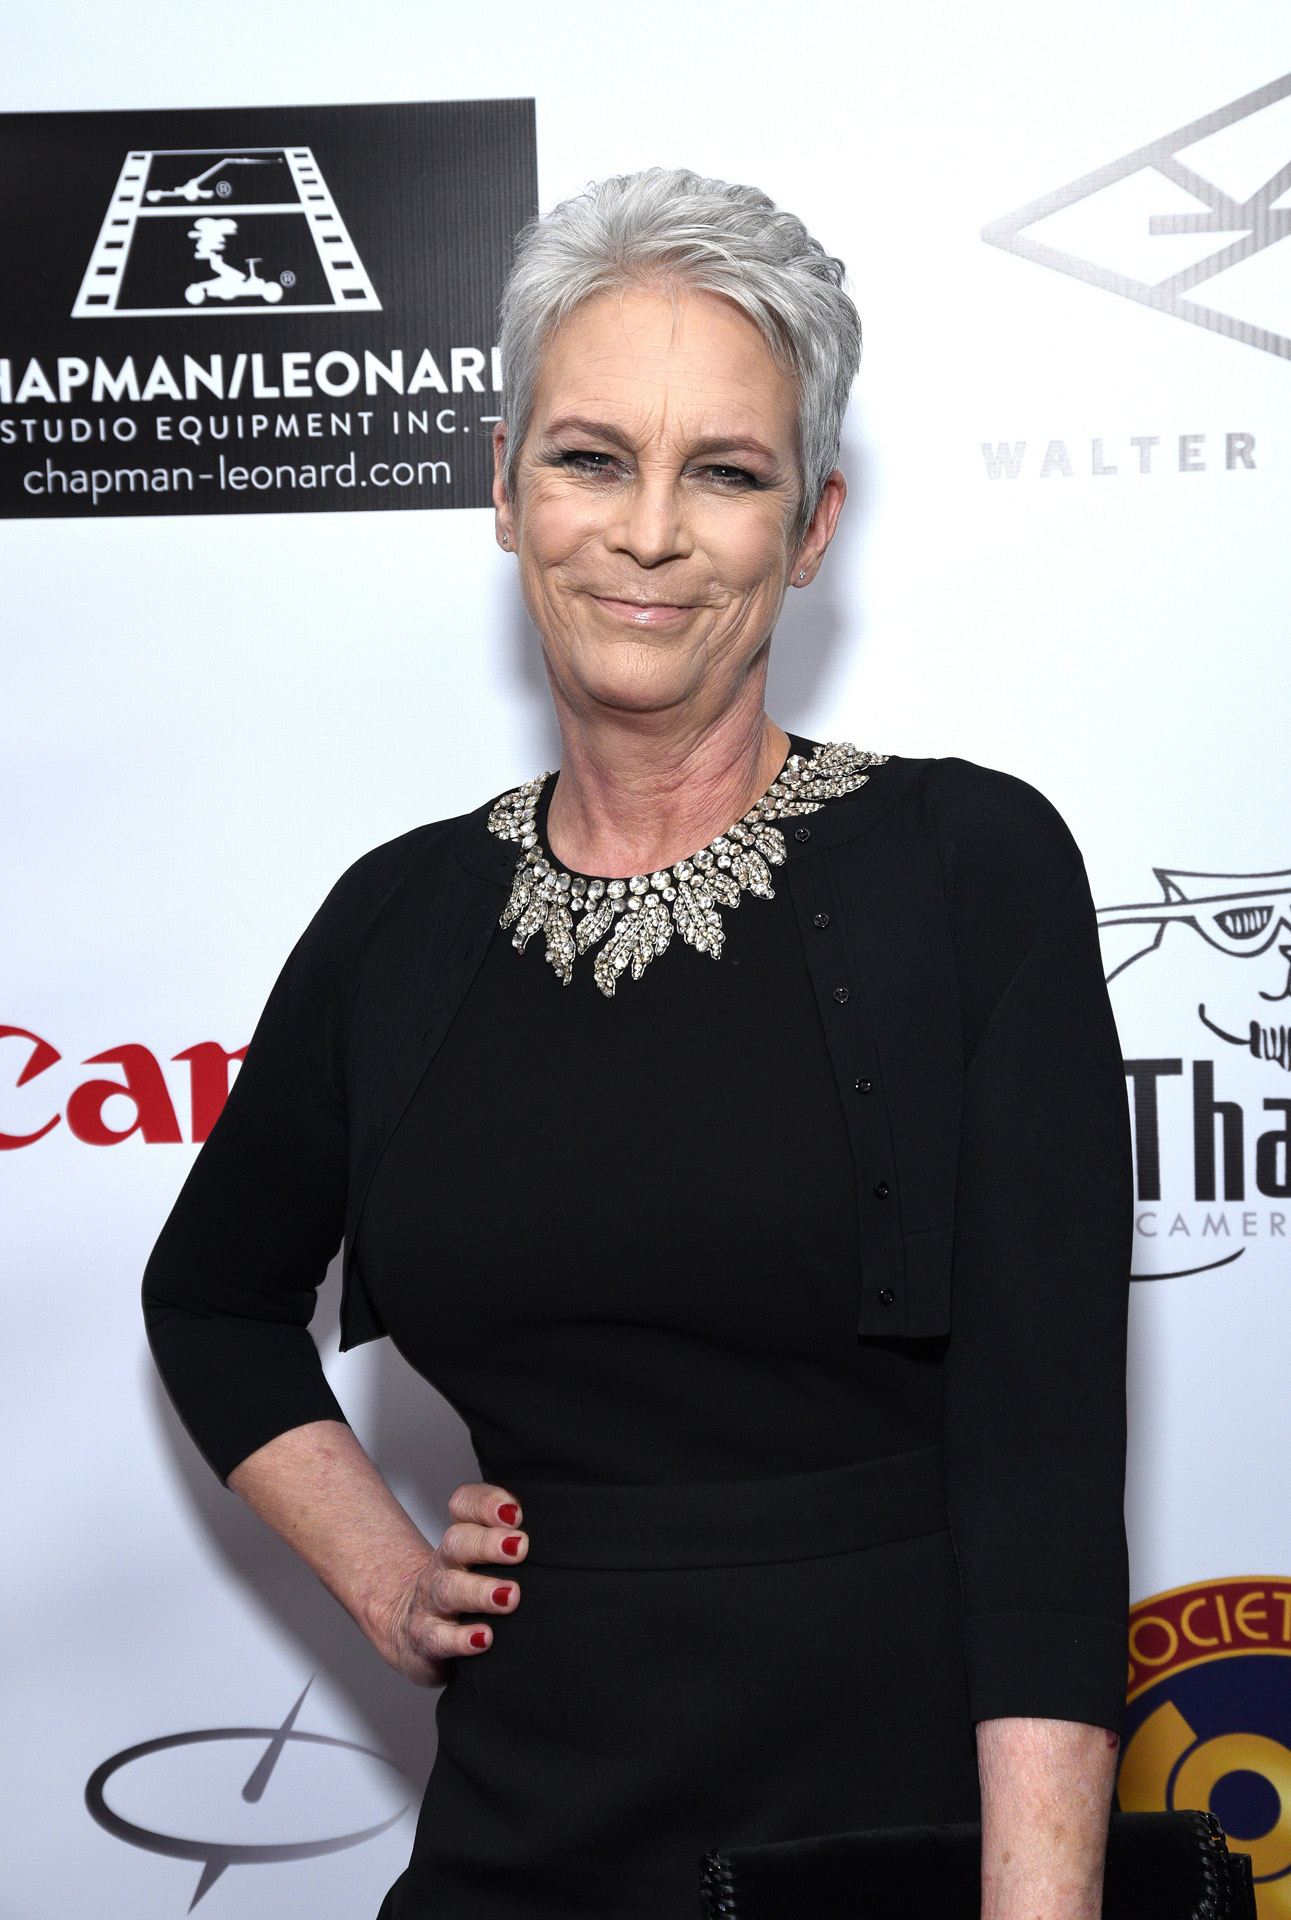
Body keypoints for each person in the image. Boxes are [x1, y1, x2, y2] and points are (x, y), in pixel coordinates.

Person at [143, 168, 1133, 1920]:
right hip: (521, 1836)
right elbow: (212, 1300)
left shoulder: (971, 871)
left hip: (883, 1845)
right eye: (591, 458)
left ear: (811, 529)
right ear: (505, 491)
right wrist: (380, 1572)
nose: (651, 532)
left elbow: (1046, 1474)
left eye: (727, 474)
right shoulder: (398, 919)